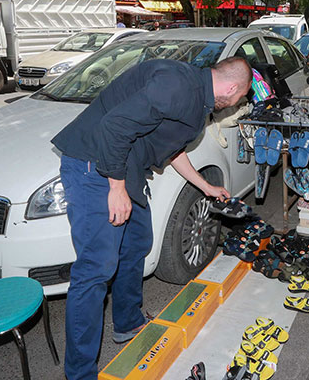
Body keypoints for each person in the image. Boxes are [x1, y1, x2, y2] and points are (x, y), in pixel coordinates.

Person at [52, 57, 252, 380]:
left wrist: (207, 187)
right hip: (94, 163)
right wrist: (116, 188)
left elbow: (172, 149)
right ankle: (79, 373)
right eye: (239, 98)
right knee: (96, 269)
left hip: (123, 164)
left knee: (138, 239)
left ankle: (128, 321)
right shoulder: (179, 86)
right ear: (231, 88)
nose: (235, 104)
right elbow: (113, 126)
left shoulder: (194, 97)